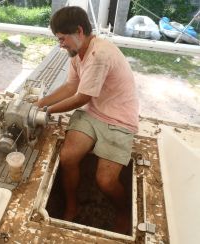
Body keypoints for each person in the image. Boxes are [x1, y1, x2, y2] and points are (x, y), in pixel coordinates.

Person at [36, 6, 139, 234]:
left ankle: (123, 211)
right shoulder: (77, 53)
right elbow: (70, 86)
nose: (60, 44)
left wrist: (46, 112)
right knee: (68, 156)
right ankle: (72, 204)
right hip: (94, 112)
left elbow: (81, 97)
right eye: (58, 39)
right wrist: (38, 104)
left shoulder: (98, 54)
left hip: (119, 118)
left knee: (105, 181)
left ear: (79, 31)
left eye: (62, 39)